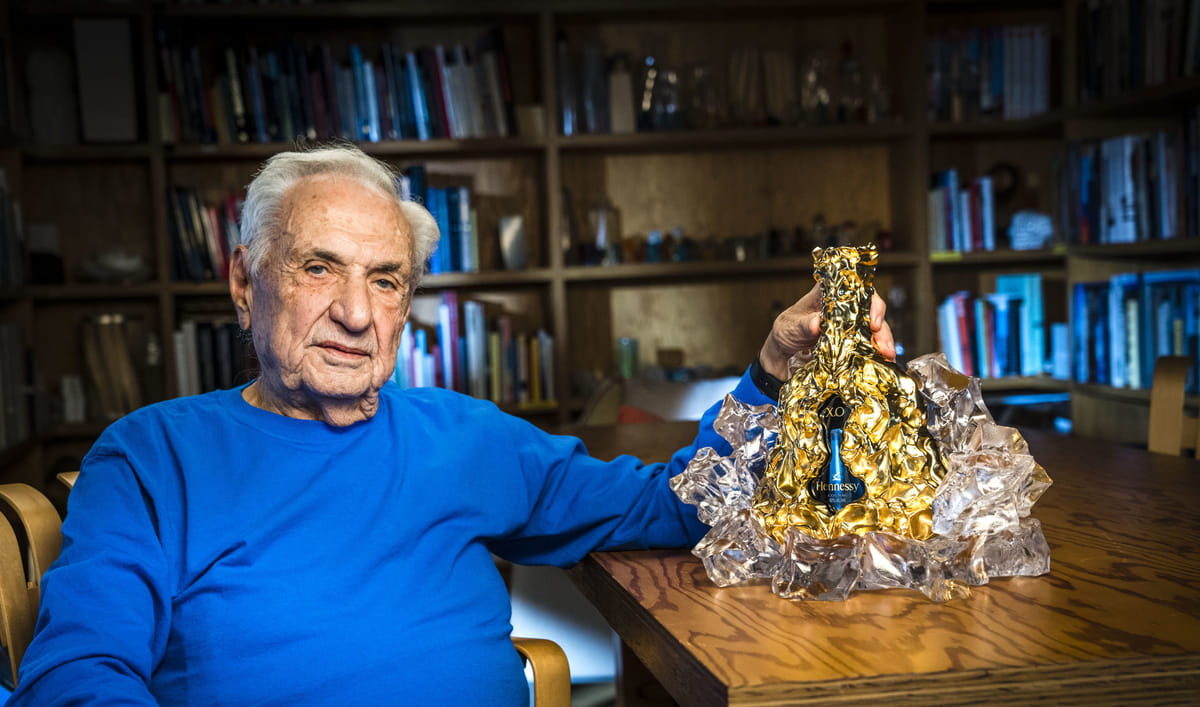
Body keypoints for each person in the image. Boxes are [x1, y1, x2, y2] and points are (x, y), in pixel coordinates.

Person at [9, 145, 893, 705]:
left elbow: (673, 506)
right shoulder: (152, 455)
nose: (356, 312)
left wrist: (772, 373)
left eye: (386, 280)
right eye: (319, 268)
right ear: (245, 282)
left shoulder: (467, 437)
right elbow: (76, 677)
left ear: (407, 305)